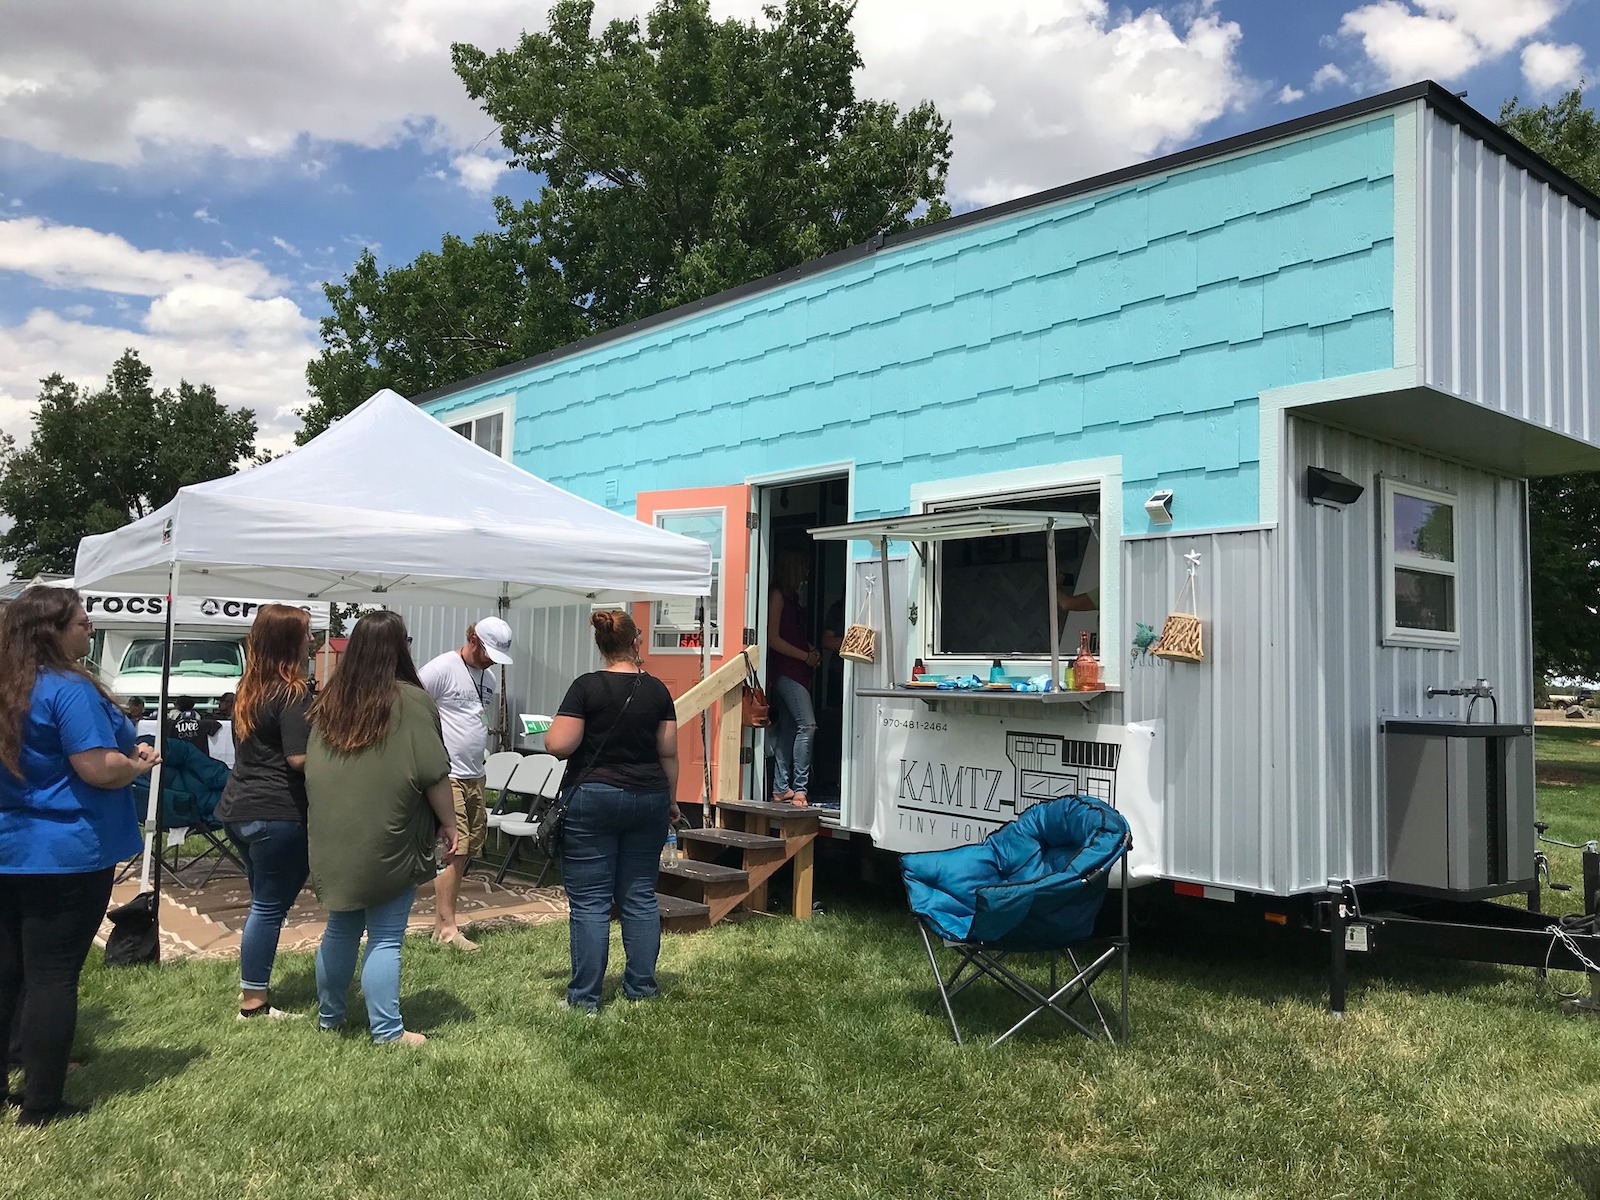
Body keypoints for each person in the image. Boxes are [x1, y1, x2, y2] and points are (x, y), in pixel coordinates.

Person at [0, 587, 159, 1125]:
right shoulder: (67, 689)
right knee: (51, 976)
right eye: (83, 624)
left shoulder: (8, 687)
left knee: (7, 974)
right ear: (54, 630)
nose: (89, 631)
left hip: (9, 847)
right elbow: (97, 767)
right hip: (64, 853)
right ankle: (42, 1102)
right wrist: (138, 765)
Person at [305, 612, 454, 1046]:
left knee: (340, 928)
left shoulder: (329, 701)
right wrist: (449, 822)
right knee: (386, 937)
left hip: (333, 831)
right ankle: (387, 1032)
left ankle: (330, 1019)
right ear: (399, 647)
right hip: (390, 832)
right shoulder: (411, 700)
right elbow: (434, 772)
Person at [544, 610, 679, 1014]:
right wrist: (671, 800)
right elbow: (668, 752)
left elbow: (559, 745)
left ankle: (585, 997)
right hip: (649, 797)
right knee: (639, 896)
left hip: (594, 798)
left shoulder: (587, 687)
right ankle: (641, 988)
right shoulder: (657, 690)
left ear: (601, 644)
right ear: (636, 643)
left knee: (590, 902)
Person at [212, 606, 313, 1020]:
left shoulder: (248, 688)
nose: (312, 641)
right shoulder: (293, 691)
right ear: (291, 641)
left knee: (263, 904)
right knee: (269, 908)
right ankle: (253, 1003)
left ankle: (254, 991)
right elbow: (299, 759)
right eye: (307, 634)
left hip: (238, 809)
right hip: (278, 812)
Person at [417, 616, 514, 951]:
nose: (490, 659)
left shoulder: (486, 678)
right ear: (473, 638)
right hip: (449, 775)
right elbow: (414, 705)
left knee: (468, 848)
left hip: (475, 772)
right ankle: (447, 929)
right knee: (454, 850)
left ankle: (442, 924)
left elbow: (478, 718)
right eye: (488, 651)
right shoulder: (442, 667)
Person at [766, 548, 820, 806]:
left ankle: (780, 788)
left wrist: (809, 649)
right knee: (807, 726)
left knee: (789, 729)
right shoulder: (777, 596)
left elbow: (789, 635)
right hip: (786, 672)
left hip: (796, 669)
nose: (806, 574)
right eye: (803, 568)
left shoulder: (791, 598)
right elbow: (772, 639)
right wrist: (804, 656)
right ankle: (800, 789)